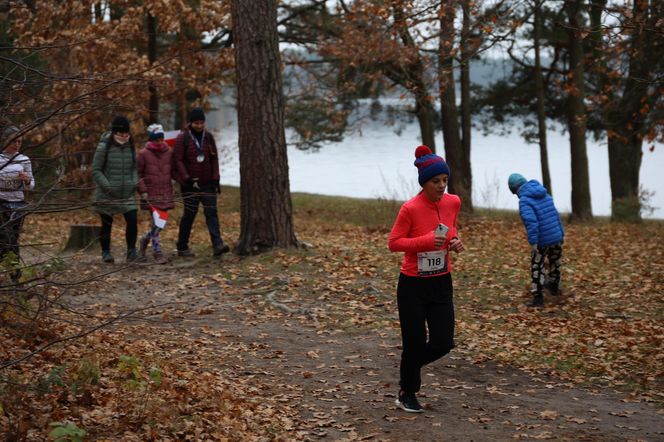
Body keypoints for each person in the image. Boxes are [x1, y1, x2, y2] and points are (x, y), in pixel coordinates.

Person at [388, 145, 465, 413]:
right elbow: (394, 243)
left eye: (445, 180)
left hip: (441, 281)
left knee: (444, 341)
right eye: (436, 181)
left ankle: (410, 365)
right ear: (424, 183)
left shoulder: (453, 202)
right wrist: (427, 241)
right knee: (415, 342)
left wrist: (454, 242)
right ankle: (407, 392)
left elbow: (450, 230)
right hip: (412, 284)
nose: (442, 186)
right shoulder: (410, 208)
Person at [172, 107, 230, 257]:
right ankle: (182, 246)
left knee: (211, 213)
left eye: (201, 123)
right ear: (191, 123)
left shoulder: (209, 137)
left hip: (208, 183)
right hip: (189, 184)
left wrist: (216, 178)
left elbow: (214, 159)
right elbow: (177, 160)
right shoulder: (182, 138)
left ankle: (217, 244)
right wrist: (186, 178)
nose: (199, 125)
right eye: (196, 123)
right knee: (190, 214)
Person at [92, 115, 143, 264]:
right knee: (107, 223)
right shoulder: (103, 147)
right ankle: (106, 252)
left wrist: (134, 182)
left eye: (127, 133)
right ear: (115, 132)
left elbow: (134, 168)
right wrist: (108, 186)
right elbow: (96, 170)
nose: (124, 136)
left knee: (132, 219)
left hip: (127, 192)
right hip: (107, 192)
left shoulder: (131, 146)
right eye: (121, 133)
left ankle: (131, 251)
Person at [508, 173, 564, 308]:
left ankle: (538, 299)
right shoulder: (544, 193)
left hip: (542, 239)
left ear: (514, 190)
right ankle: (554, 287)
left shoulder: (525, 201)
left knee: (536, 266)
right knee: (555, 261)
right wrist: (561, 233)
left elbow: (531, 223)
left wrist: (533, 242)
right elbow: (555, 214)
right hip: (556, 236)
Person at [0, 126, 34, 281]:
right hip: (2, 203)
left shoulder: (24, 160)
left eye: (19, 141)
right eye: (13, 141)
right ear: (5, 140)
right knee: (6, 238)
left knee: (13, 238)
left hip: (18, 204)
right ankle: (14, 275)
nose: (17, 144)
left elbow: (32, 184)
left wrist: (26, 179)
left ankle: (14, 276)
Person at [137, 123, 174, 264]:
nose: (159, 142)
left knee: (160, 224)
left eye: (161, 139)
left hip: (165, 193)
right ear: (151, 139)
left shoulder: (169, 152)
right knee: (157, 222)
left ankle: (144, 239)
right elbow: (138, 174)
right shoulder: (143, 154)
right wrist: (143, 191)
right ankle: (157, 252)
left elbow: (173, 171)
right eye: (156, 139)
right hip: (150, 194)